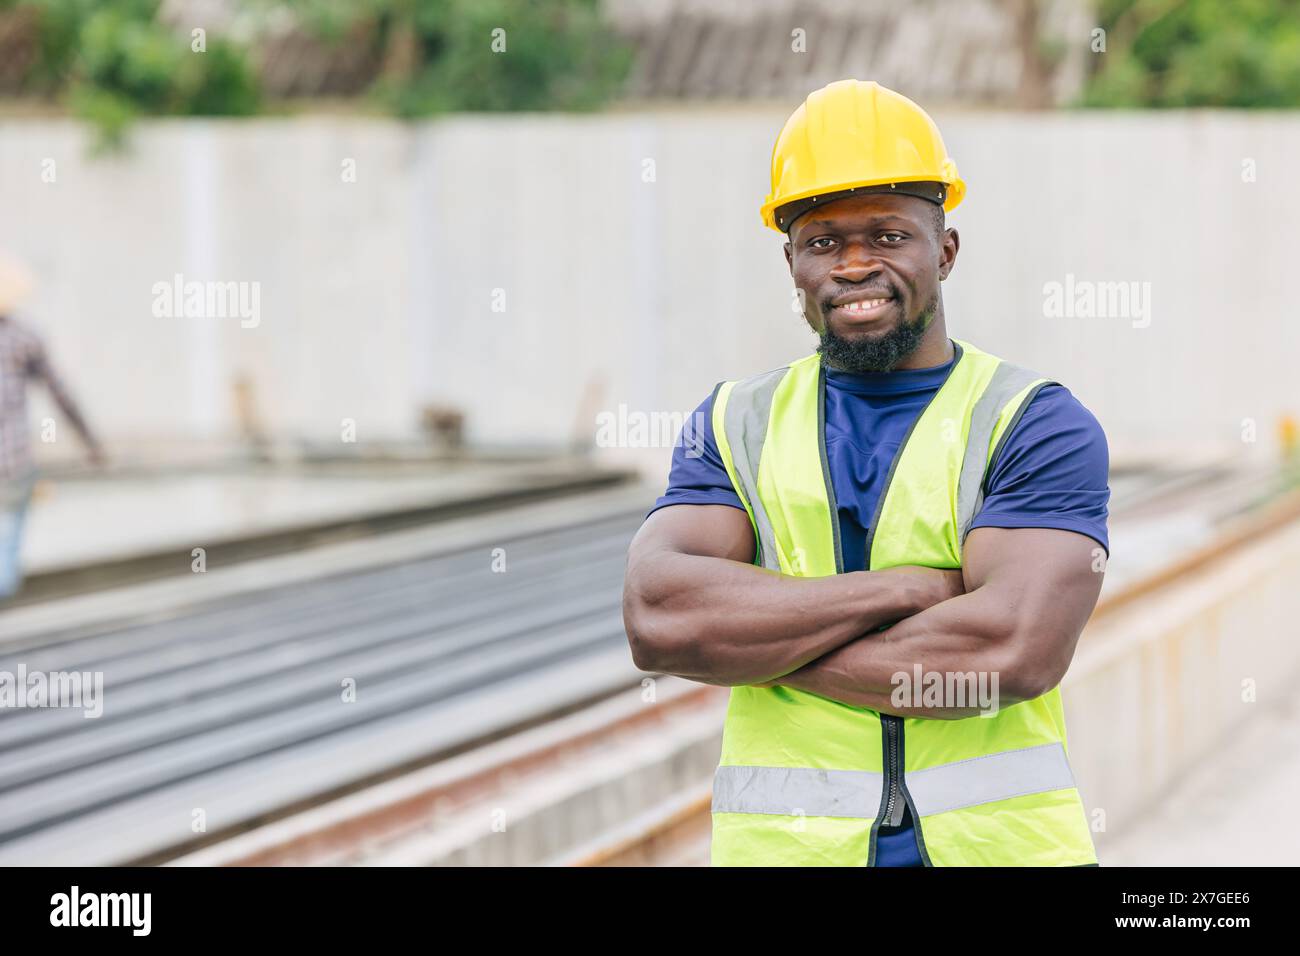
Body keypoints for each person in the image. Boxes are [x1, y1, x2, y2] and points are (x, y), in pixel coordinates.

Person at [622, 80, 1110, 866]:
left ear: (944, 251)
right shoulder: (732, 423)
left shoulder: (1032, 421)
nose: (854, 265)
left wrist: (760, 645)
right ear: (791, 263)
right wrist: (907, 589)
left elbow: (1008, 654)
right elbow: (660, 618)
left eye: (887, 235)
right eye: (822, 241)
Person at [0, 255, 105, 600]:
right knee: (6, 552)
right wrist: (90, 443)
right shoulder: (25, 337)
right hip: (12, 465)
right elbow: (62, 395)